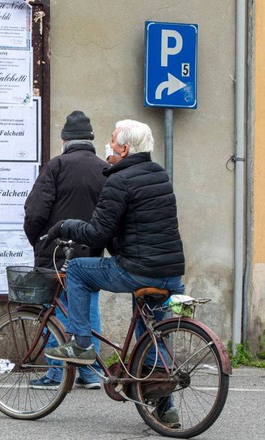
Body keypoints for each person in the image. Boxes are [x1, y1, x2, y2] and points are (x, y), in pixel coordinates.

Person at [42, 119, 185, 427]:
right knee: (152, 334)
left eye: (112, 141)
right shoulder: (159, 174)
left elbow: (96, 233)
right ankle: (165, 408)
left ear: (124, 148)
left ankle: (81, 343)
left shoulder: (120, 180)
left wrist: (66, 226)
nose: (108, 146)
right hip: (169, 272)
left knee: (78, 269)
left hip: (137, 270)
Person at [23, 110, 107, 390]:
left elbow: (36, 211)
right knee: (89, 306)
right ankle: (90, 372)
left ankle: (56, 373)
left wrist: (38, 240)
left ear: (65, 139)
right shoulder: (104, 168)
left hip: (58, 251)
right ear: (91, 139)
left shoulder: (56, 166)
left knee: (57, 307)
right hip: (91, 250)